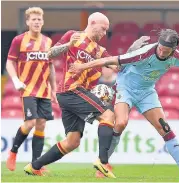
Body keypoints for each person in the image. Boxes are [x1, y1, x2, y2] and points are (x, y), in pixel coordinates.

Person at [23, 12, 149, 178]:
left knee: (72, 142)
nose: (104, 33)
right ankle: (103, 163)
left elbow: (119, 66)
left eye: (106, 31)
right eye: (103, 29)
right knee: (108, 116)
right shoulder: (73, 36)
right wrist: (68, 44)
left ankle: (34, 166)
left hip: (73, 95)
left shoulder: (100, 51)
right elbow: (49, 54)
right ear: (92, 22)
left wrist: (133, 50)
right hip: (71, 89)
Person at [69, 29, 179, 179]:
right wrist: (82, 67)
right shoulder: (144, 53)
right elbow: (108, 60)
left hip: (146, 92)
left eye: (166, 51)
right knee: (120, 123)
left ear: (173, 50)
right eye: (161, 49)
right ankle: (103, 164)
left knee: (164, 128)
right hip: (126, 89)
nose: (162, 53)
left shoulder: (175, 56)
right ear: (158, 44)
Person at [6, 7, 56, 172]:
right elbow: (9, 62)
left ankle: (35, 166)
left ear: (42, 22)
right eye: (33, 19)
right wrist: (15, 80)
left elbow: (51, 67)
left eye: (39, 19)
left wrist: (54, 89)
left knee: (41, 125)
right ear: (27, 22)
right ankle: (13, 152)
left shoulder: (48, 42)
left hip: (44, 90)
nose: (36, 22)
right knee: (30, 123)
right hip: (27, 89)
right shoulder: (19, 40)